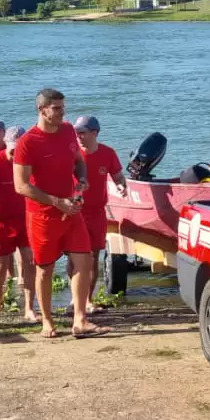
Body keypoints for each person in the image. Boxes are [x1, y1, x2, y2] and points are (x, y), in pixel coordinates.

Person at [13, 89, 109, 339]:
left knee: (84, 259)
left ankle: (80, 319)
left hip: (72, 210)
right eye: (56, 108)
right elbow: (21, 185)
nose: (62, 112)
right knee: (45, 269)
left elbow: (78, 159)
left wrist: (83, 178)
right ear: (42, 110)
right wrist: (56, 202)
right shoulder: (28, 142)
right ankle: (47, 320)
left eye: (62, 107)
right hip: (42, 216)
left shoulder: (67, 130)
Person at [0, 125, 38, 321]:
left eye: (20, 150)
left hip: (26, 219)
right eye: (13, 150)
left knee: (30, 260)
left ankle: (29, 308)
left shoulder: (31, 163)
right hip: (1, 222)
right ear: (7, 145)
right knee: (0, 268)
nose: (15, 155)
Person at [72, 115, 126, 317]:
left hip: (97, 213)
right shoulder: (73, 154)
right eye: (77, 132)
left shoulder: (107, 153)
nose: (79, 136)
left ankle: (88, 300)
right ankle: (75, 299)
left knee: (93, 257)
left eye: (83, 132)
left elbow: (118, 177)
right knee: (76, 257)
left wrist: (122, 187)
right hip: (75, 212)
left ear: (94, 133)